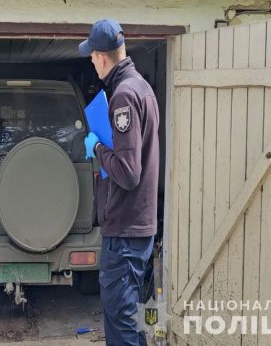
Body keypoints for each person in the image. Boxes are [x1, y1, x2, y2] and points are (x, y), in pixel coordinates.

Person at [79, 19, 159, 346]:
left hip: (124, 234)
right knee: (135, 321)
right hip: (139, 230)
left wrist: (97, 147)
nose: (92, 62)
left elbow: (127, 173)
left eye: (92, 57)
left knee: (122, 325)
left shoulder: (123, 96)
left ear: (101, 57)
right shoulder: (141, 87)